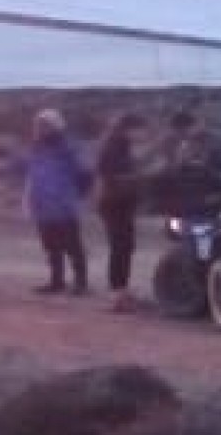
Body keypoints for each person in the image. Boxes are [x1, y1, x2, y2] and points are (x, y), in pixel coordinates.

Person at [24, 108, 91, 295]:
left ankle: (81, 283)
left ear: (55, 126)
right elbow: (32, 173)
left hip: (63, 205)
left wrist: (79, 195)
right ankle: (57, 281)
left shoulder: (68, 147)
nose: (40, 128)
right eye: (38, 125)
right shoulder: (37, 147)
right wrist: (30, 198)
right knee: (51, 246)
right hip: (44, 205)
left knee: (72, 245)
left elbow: (83, 173)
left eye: (44, 125)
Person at [92, 111, 147, 311]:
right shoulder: (113, 146)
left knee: (125, 247)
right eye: (140, 130)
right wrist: (135, 177)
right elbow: (108, 174)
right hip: (114, 203)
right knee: (120, 247)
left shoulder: (120, 145)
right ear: (129, 129)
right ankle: (117, 294)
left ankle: (121, 290)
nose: (142, 134)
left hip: (120, 202)